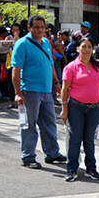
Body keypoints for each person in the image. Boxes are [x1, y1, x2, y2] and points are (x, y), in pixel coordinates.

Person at [12, 15, 66, 169]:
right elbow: (16, 70)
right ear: (29, 28)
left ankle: (52, 153)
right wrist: (17, 92)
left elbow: (50, 65)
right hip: (29, 91)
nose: (40, 30)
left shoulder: (47, 43)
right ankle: (28, 156)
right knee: (29, 124)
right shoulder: (22, 44)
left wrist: (56, 83)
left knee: (49, 123)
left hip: (46, 91)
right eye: (36, 27)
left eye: (42, 27)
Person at [60, 38, 99, 181]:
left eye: (89, 47)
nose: (86, 49)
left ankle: (91, 169)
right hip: (76, 107)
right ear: (78, 49)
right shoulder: (71, 67)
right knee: (75, 138)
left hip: (95, 108)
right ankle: (71, 170)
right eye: (83, 46)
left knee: (89, 140)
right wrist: (64, 109)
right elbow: (65, 89)